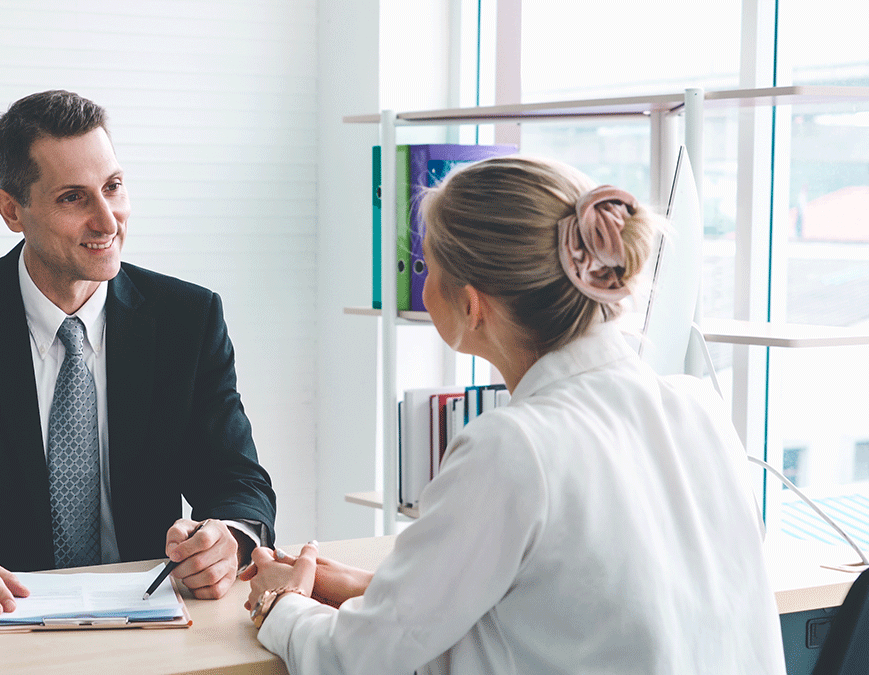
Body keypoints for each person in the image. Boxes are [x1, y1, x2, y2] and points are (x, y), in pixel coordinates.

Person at [240, 156, 786, 674]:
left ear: (473, 305)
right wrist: (376, 589)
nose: (421, 284)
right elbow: (578, 605)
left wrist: (281, 604)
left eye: (428, 267)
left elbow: (360, 658)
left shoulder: (514, 446)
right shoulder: (699, 409)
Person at [0, 90, 276, 622]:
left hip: (146, 626)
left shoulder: (186, 319)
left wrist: (226, 538)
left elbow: (238, 480)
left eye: (113, 187)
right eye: (73, 198)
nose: (107, 221)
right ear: (11, 210)